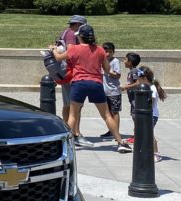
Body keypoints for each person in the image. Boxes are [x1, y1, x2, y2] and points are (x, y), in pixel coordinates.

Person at [49, 25, 131, 153]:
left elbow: (59, 58)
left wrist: (53, 49)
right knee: (106, 115)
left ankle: (65, 145)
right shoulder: (100, 50)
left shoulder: (74, 49)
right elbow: (108, 69)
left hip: (79, 83)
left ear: (80, 37)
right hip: (96, 83)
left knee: (73, 115)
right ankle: (120, 142)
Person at [56, 15, 87, 124]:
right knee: (75, 104)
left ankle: (67, 127)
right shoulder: (71, 34)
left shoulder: (66, 31)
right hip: (71, 71)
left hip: (66, 71)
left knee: (68, 103)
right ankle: (74, 132)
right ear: (78, 24)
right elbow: (70, 51)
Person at [136, 66, 168, 162]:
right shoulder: (147, 86)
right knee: (145, 133)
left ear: (144, 78)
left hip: (151, 115)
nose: (138, 81)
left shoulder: (152, 88)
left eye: (139, 79)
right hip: (146, 114)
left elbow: (150, 103)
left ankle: (156, 154)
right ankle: (147, 152)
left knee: (149, 134)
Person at [99, 42, 122, 140]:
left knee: (115, 112)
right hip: (104, 90)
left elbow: (118, 75)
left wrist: (108, 71)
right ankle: (111, 130)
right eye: (105, 52)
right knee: (107, 113)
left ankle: (116, 132)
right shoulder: (101, 61)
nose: (107, 54)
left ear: (113, 52)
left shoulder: (115, 61)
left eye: (109, 52)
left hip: (114, 91)